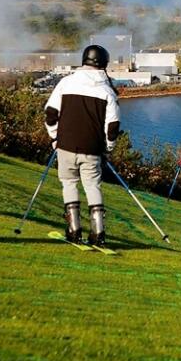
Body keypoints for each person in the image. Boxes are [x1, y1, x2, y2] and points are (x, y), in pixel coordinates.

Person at [44, 45, 120, 247]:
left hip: (65, 146)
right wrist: (109, 148)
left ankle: (73, 229)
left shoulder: (65, 83)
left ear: (84, 60)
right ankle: (98, 233)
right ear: (104, 63)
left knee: (69, 184)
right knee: (92, 186)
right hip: (92, 149)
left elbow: (51, 114)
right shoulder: (107, 92)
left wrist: (54, 139)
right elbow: (112, 127)